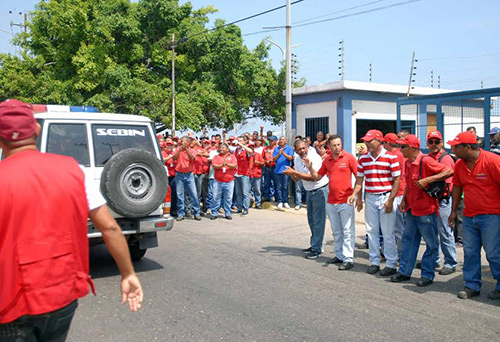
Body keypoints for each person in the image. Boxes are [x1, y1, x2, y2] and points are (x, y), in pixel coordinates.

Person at [0, 100, 143, 340]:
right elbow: (109, 227)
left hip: (11, 302)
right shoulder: (74, 170)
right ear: (36, 129)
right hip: (62, 296)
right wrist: (128, 274)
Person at [390, 134, 453, 287]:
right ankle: (405, 271)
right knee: (409, 241)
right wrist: (404, 200)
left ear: (411, 148)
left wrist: (428, 180)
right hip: (412, 208)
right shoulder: (408, 162)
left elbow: (449, 171)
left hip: (426, 209)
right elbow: (409, 185)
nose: (400, 149)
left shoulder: (425, 161)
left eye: (403, 147)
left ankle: (427, 274)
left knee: (431, 244)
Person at [447, 131, 500, 300]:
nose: (452, 149)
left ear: (468, 148)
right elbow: (457, 187)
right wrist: (454, 211)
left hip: (491, 216)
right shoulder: (460, 165)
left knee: (493, 253)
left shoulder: (492, 161)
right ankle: (471, 285)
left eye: (456, 146)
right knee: (470, 252)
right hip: (469, 216)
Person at [348, 129, 401, 276]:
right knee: (371, 231)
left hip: (386, 197)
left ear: (379, 141)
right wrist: (357, 197)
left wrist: (391, 200)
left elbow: (397, 180)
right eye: (365, 140)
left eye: (369, 140)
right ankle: (374, 261)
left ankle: (391, 263)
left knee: (388, 232)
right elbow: (360, 180)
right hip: (370, 197)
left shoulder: (391, 157)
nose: (366, 143)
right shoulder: (363, 159)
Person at [311, 135, 358, 269]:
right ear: (329, 147)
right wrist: (309, 167)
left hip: (346, 200)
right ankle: (339, 255)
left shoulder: (349, 158)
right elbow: (318, 176)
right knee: (336, 231)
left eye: (338, 145)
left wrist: (355, 194)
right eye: (334, 145)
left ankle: (348, 259)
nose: (337, 148)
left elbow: (359, 177)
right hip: (331, 201)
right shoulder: (327, 160)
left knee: (347, 231)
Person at [283, 139, 329, 260]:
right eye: (299, 149)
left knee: (318, 221)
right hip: (309, 191)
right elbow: (297, 179)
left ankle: (317, 249)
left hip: (319, 190)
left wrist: (295, 173)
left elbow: (314, 178)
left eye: (304, 148)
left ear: (307, 146)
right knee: (311, 220)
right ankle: (315, 244)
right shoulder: (297, 159)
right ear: (295, 150)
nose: (302, 151)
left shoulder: (314, 157)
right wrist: (291, 173)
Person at [425, 131, 458, 275]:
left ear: (441, 142)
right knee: (432, 232)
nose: (434, 145)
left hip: (443, 200)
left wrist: (429, 180)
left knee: (445, 231)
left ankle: (450, 263)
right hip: (432, 200)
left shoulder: (445, 158)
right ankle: (435, 260)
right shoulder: (428, 158)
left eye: (436, 142)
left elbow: (449, 174)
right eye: (431, 142)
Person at [382, 133, 406, 261]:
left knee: (397, 228)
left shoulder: (394, 155)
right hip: (398, 192)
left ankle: (400, 255)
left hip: (397, 193)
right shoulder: (399, 154)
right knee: (396, 227)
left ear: (386, 144)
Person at [172, 136, 201, 221]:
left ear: (188, 143)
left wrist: (186, 150)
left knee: (194, 194)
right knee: (180, 195)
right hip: (179, 174)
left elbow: (192, 158)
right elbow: (174, 158)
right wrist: (180, 150)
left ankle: (197, 213)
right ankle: (181, 213)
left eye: (184, 142)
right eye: (181, 142)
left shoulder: (192, 150)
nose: (182, 143)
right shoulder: (178, 149)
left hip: (189, 175)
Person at [211, 143, 237, 220]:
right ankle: (214, 213)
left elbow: (234, 165)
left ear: (227, 149)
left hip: (229, 181)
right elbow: (214, 166)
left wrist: (227, 164)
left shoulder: (232, 156)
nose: (221, 149)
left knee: (228, 198)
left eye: (223, 147)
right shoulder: (216, 156)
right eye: (220, 147)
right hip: (218, 181)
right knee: (216, 197)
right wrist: (222, 165)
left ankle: (227, 213)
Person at [234, 135, 253, 216]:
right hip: (237, 173)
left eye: (241, 140)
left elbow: (250, 151)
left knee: (246, 192)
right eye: (238, 140)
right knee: (238, 192)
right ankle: (239, 207)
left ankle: (246, 208)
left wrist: (242, 145)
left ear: (245, 142)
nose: (239, 142)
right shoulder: (236, 150)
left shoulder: (246, 150)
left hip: (245, 173)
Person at [273, 136, 294, 209]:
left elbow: (290, 158)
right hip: (278, 170)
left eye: (282, 139)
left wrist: (283, 153)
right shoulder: (276, 149)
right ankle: (280, 201)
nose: (281, 141)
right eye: (280, 139)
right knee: (278, 187)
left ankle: (285, 201)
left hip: (286, 171)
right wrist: (279, 154)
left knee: (285, 187)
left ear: (286, 141)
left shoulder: (289, 149)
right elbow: (274, 159)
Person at [249, 141, 264, 209]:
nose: (251, 148)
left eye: (252, 147)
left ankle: (258, 203)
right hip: (249, 174)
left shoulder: (258, 154)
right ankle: (250, 201)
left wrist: (257, 162)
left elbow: (263, 163)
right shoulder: (246, 155)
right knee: (249, 189)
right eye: (250, 147)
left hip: (257, 174)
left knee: (257, 189)